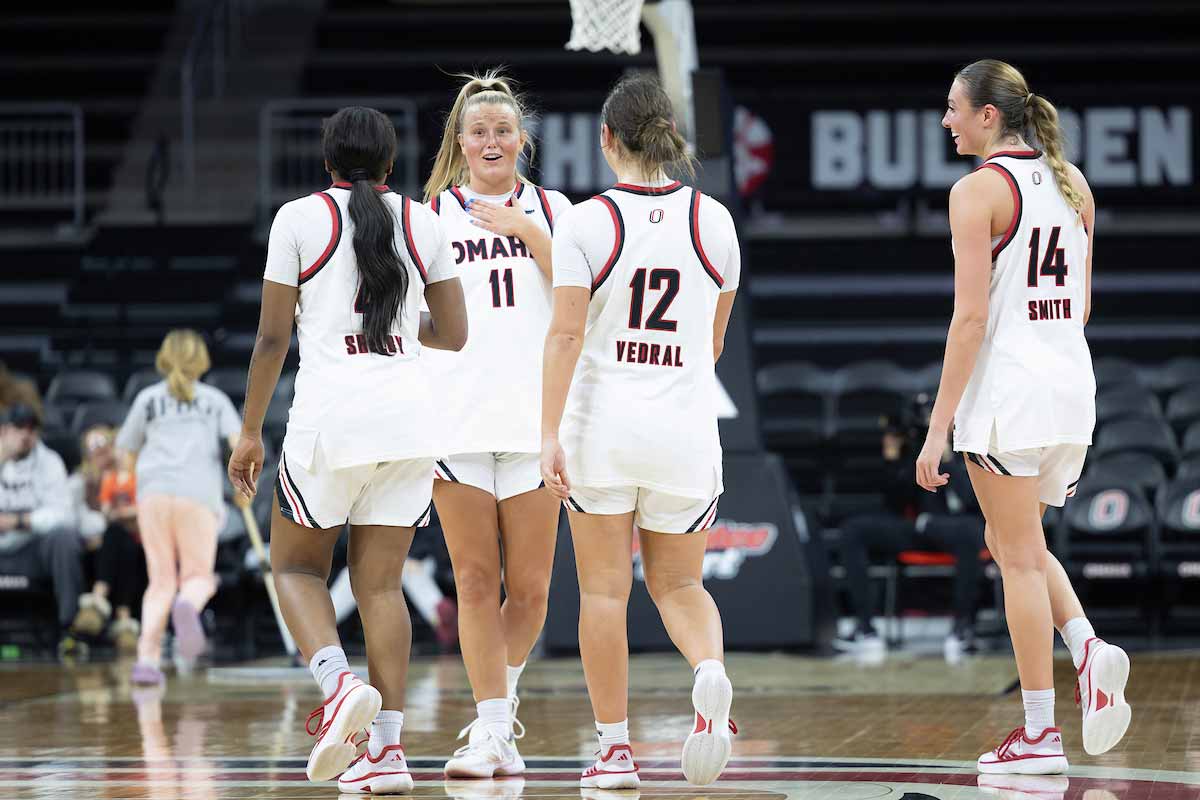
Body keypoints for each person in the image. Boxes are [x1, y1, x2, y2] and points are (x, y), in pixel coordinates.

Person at [227, 105, 466, 793]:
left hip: (333, 420)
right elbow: (454, 333)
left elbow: (272, 339)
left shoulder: (298, 220)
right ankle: (386, 754)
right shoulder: (424, 222)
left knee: (296, 569)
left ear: (326, 160)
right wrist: (397, 326)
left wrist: (250, 431)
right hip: (410, 421)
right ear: (392, 163)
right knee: (382, 587)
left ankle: (337, 686)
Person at [918, 59, 1130, 774]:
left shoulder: (977, 191)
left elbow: (970, 320)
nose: (946, 121)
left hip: (1011, 394)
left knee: (1015, 559)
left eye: (954, 108)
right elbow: (1083, 307)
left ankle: (1041, 731)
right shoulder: (1075, 185)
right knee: (1019, 542)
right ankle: (1088, 649)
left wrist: (938, 428)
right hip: (1071, 390)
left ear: (988, 115)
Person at [540, 74, 740, 789]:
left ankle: (615, 751)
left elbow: (566, 336)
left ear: (606, 140)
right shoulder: (715, 220)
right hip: (685, 430)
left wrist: (547, 432)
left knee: (603, 594)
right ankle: (709, 671)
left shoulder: (585, 222)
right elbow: (713, 342)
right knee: (680, 584)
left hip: (604, 430)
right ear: (670, 136)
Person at [422, 71, 572, 778]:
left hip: (535, 423)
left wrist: (526, 231)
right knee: (475, 582)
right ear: (461, 141)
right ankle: (489, 732)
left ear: (522, 139)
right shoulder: (431, 214)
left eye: (503, 130)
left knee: (532, 590)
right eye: (479, 131)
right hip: (456, 420)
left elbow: (582, 291)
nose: (491, 141)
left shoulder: (554, 208)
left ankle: (498, 712)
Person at [118, 330, 244, 685]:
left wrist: (131, 490)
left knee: (160, 581)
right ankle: (188, 604)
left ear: (164, 358)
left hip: (153, 494)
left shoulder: (146, 399)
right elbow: (240, 447)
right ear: (200, 361)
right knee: (198, 577)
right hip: (197, 494)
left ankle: (147, 662)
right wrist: (243, 489)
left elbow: (126, 453)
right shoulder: (215, 400)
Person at [834, 394, 987, 659]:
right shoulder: (912, 447)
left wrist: (947, 460)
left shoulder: (973, 443)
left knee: (969, 532)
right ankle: (865, 629)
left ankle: (962, 627)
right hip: (915, 529)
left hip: (958, 531)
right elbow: (893, 505)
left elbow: (972, 502)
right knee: (854, 530)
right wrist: (893, 460)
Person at [0, 390, 79, 657]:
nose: (26, 435)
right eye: (19, 428)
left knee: (64, 537)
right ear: (4, 430)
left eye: (32, 429)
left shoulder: (50, 462)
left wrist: (18, 521)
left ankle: (69, 630)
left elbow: (63, 515)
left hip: (30, 550)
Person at [70, 424, 145, 653]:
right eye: (94, 448)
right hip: (92, 550)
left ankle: (96, 603)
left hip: (131, 545)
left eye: (105, 445)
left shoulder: (132, 477)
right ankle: (124, 620)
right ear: (86, 455)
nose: (101, 452)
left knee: (122, 540)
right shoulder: (80, 482)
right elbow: (76, 520)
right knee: (117, 536)